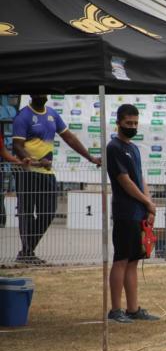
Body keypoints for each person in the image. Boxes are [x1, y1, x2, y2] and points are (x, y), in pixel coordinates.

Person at [12, 94, 101, 265]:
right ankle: (28, 252)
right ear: (31, 95)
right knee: (27, 213)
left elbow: (70, 138)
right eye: (37, 92)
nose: (41, 94)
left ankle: (26, 251)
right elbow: (17, 145)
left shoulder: (52, 114)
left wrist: (91, 158)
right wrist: (29, 159)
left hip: (46, 171)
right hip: (26, 172)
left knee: (48, 212)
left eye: (44, 92)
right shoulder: (23, 116)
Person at [106, 104, 159, 323]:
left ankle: (133, 308)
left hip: (138, 212)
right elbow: (124, 181)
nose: (132, 127)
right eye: (128, 123)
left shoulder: (134, 148)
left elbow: (140, 178)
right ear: (118, 122)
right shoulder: (114, 147)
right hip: (125, 212)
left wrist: (148, 205)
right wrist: (146, 201)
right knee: (121, 259)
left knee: (133, 261)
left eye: (135, 123)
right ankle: (116, 309)